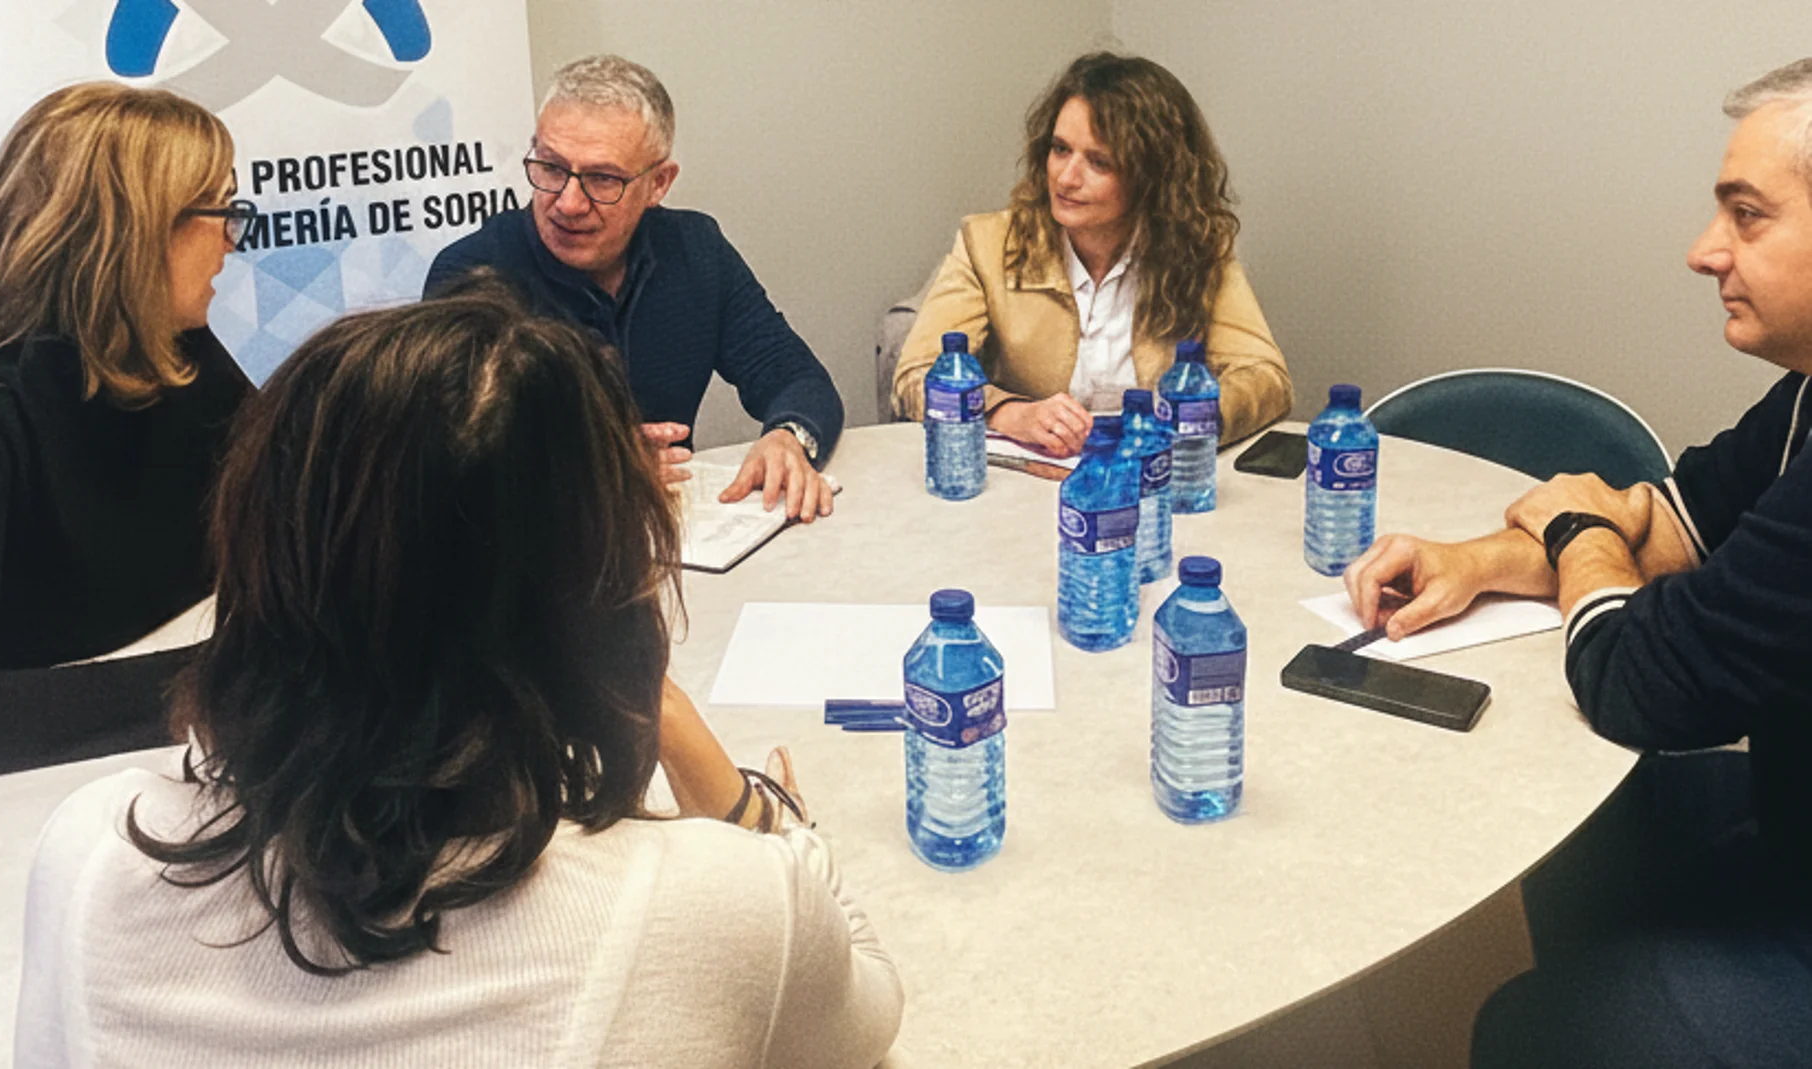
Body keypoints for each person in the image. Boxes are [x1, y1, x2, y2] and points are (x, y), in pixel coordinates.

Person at [13, 286, 903, 1067]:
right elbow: (865, 1017)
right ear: (601, 589)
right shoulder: (721, 906)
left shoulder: (93, 854)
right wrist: (767, 820)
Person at [1345, 58, 1812, 1067]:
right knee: (1581, 832)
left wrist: (1571, 534)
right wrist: (1479, 558)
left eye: (1747, 215)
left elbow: (1635, 680)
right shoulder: (1803, 396)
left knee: (1527, 1028)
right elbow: (1673, 521)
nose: (1702, 251)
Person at [0, 83, 253, 788]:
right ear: (132, 232)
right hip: (10, 815)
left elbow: (293, 501)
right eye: (220, 211)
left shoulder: (178, 351)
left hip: (150, 775)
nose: (231, 238)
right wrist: (233, 680)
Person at [425, 54, 842, 525]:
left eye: (602, 179)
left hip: (676, 543)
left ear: (658, 184)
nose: (568, 202)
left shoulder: (696, 250)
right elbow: (447, 462)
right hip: (531, 555)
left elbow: (796, 378)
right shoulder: (473, 273)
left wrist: (789, 438)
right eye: (551, 168)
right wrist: (595, 471)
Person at [894, 52, 1292, 458]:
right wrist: (1008, 412)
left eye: (1099, 162)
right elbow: (916, 374)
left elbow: (1266, 378)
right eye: (1060, 149)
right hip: (1028, 482)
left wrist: (1184, 418)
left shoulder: (1198, 247)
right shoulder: (989, 244)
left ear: (1152, 177)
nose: (1066, 178)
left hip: (1152, 476)